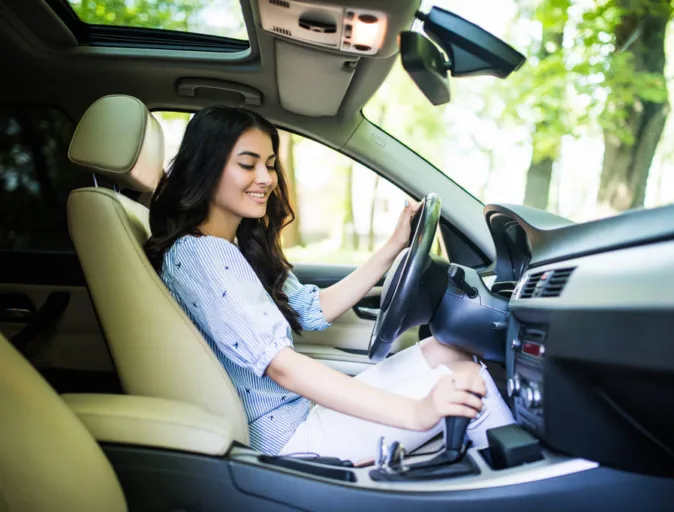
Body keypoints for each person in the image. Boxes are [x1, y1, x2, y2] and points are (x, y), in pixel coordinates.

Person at [144, 106, 515, 464]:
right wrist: (417, 412)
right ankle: (525, 488)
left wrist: (394, 246)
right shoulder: (201, 254)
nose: (266, 178)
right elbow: (282, 368)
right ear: (206, 168)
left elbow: (309, 309)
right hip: (289, 439)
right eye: (247, 164)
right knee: (470, 384)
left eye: (270, 165)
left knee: (445, 348)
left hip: (299, 413)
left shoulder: (235, 247)